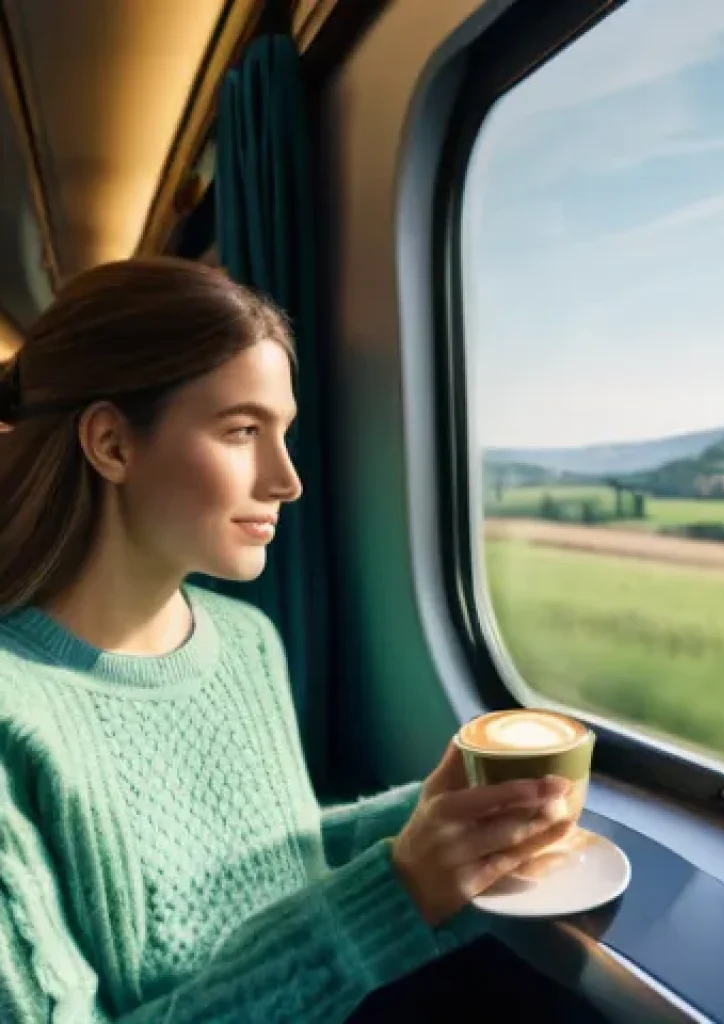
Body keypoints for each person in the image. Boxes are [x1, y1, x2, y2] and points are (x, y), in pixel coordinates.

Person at [0, 257, 575, 1022]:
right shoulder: (17, 710)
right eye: (242, 431)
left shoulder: (247, 643)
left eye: (285, 434)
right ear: (111, 444)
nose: (286, 479)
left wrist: (434, 818)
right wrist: (399, 891)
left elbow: (264, 867)